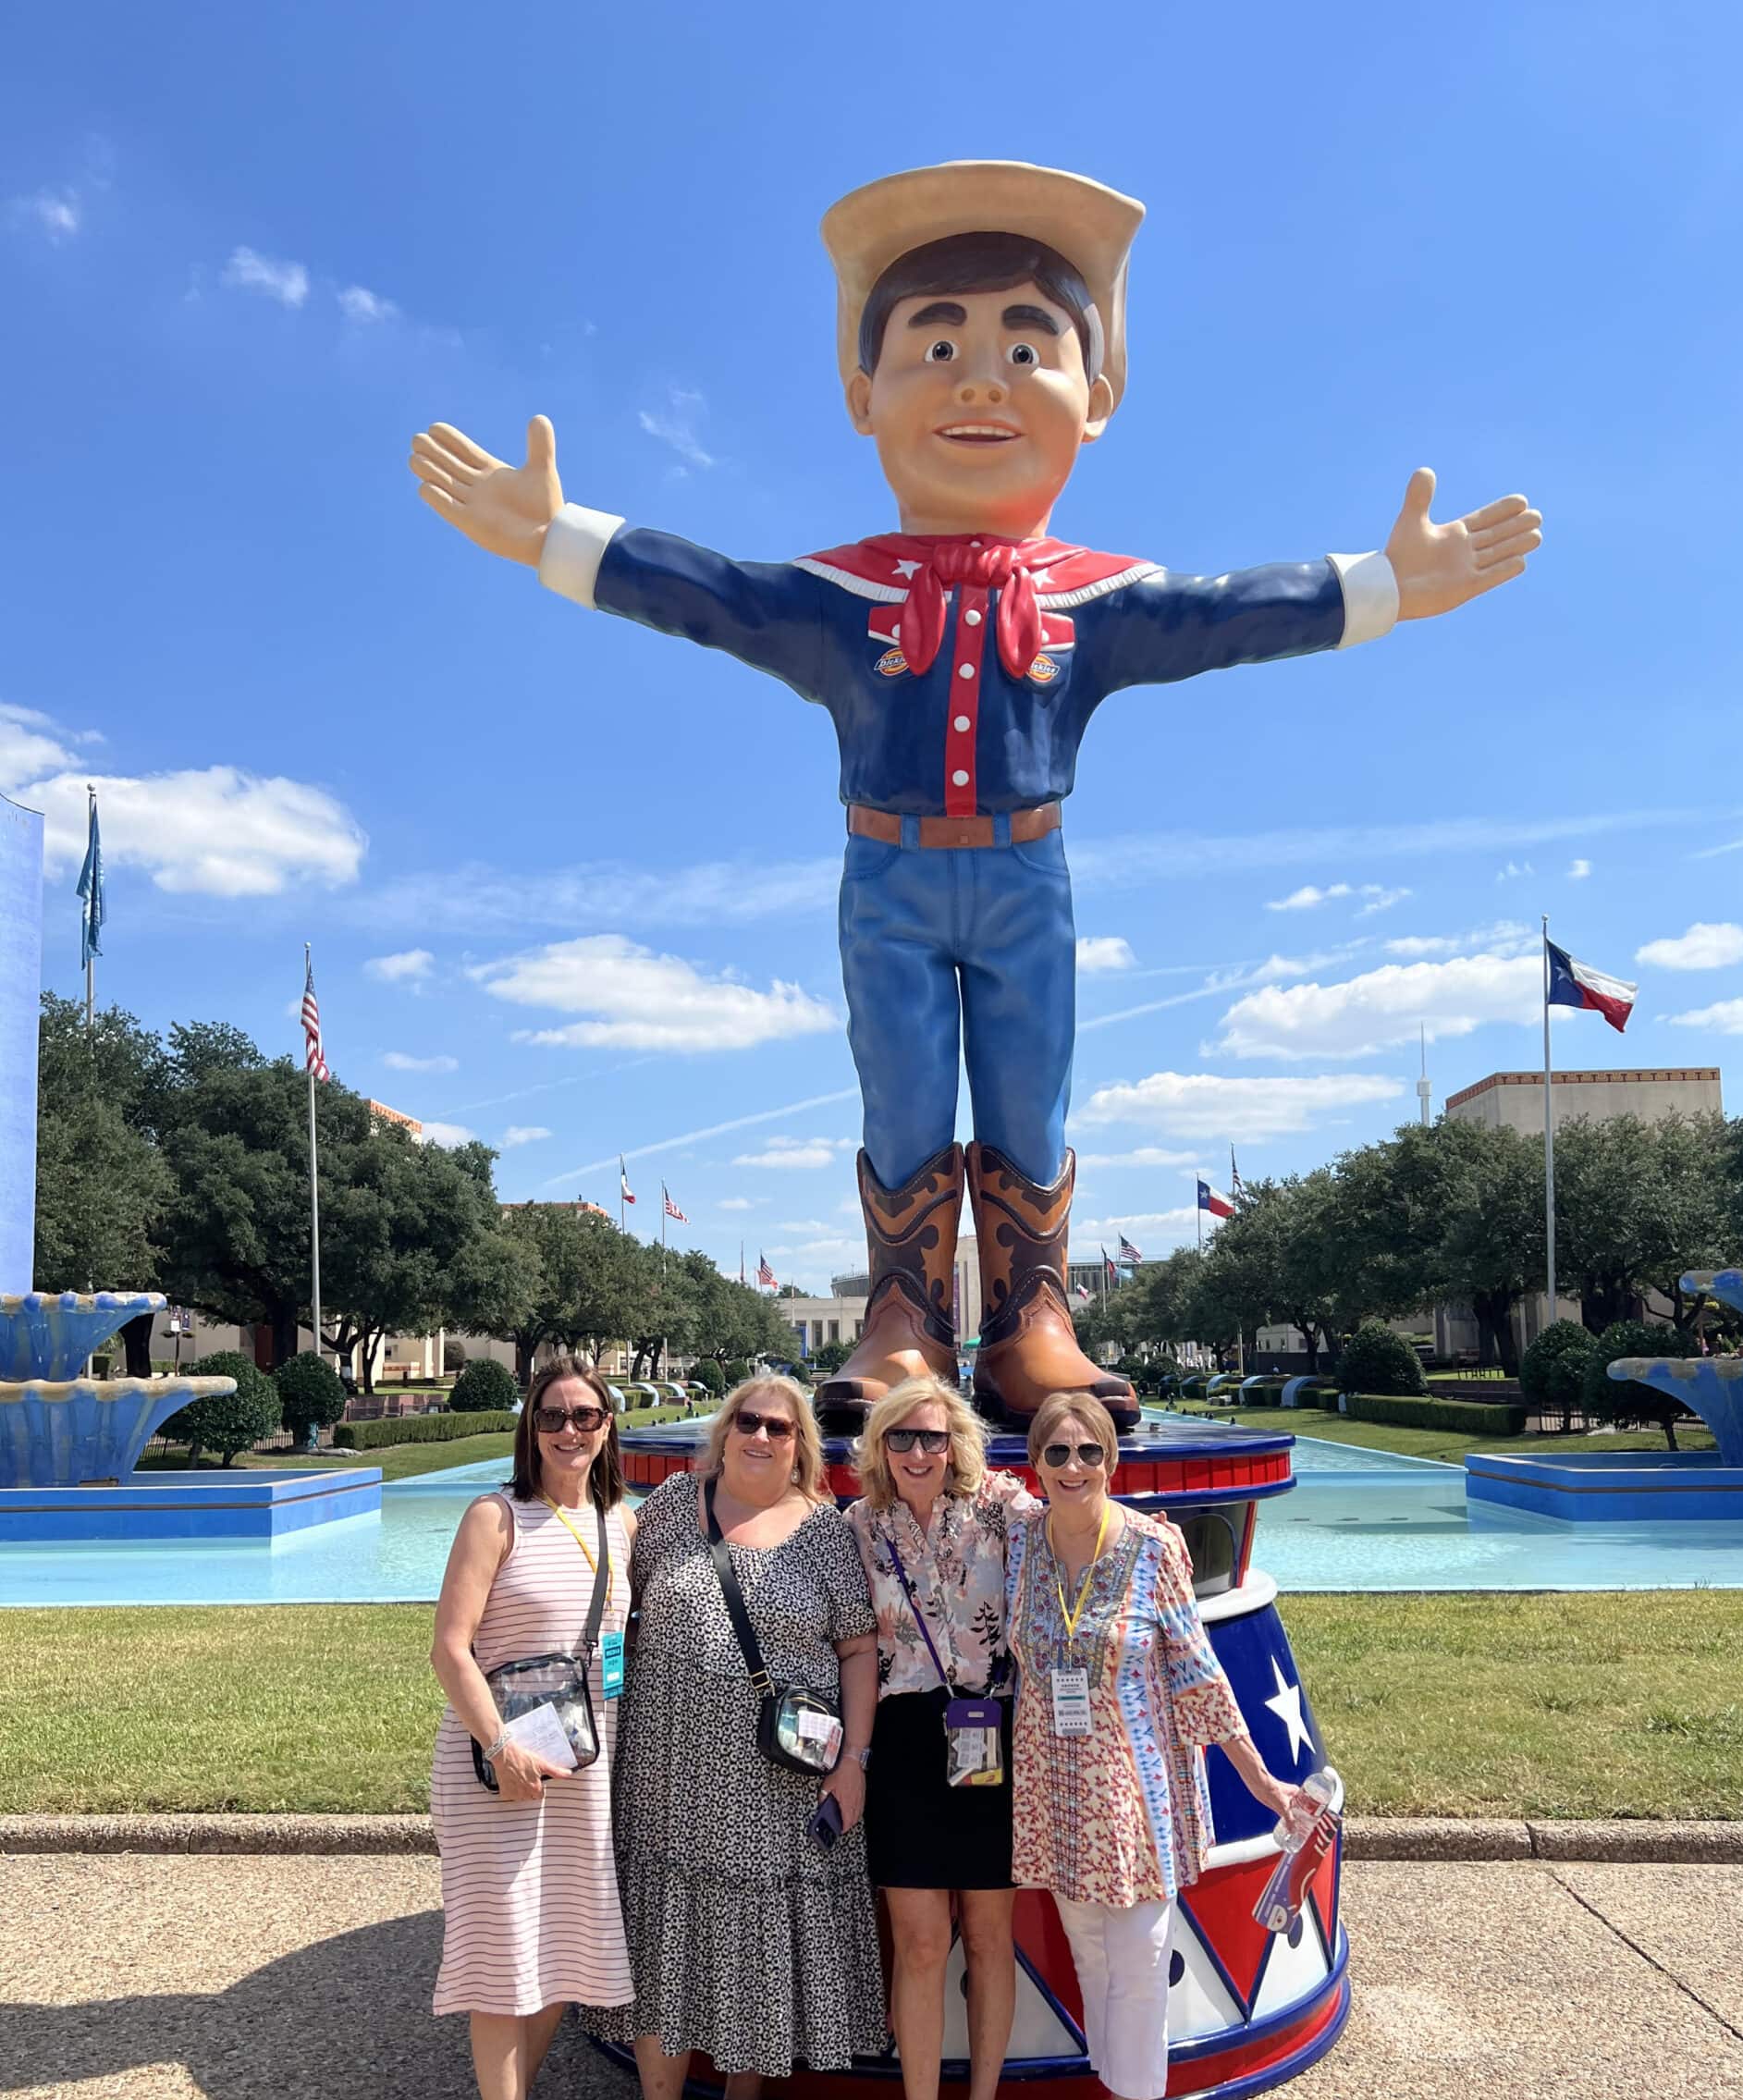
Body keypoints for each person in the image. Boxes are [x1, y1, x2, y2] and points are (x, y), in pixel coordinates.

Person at [411, 161, 1540, 1439]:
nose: (979, 379)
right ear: (863, 394)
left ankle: (1031, 1319)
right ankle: (902, 1316)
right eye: (935, 345)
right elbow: (712, 591)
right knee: (899, 1092)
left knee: (1027, 1094)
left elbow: (1229, 614)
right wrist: (561, 535)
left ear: (1095, 397)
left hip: (1029, 878)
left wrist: (1381, 582)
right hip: (883, 881)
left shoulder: (1098, 599)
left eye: (1025, 345)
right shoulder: (838, 596)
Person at [1006, 1390, 1306, 2100]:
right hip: (1054, 1786)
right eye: (1057, 1452)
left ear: (1111, 1460)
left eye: (1088, 1452)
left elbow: (1194, 1669)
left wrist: (1258, 1779)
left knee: (1137, 1958)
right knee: (1092, 1956)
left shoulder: (1149, 1546)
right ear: (1034, 1462)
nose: (1073, 1468)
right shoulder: (1022, 1540)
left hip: (1134, 1785)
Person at [597, 1377, 883, 2100]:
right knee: (666, 1940)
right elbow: (621, 1618)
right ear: (724, 1433)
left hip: (781, 1782)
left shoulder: (826, 1533)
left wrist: (854, 1761)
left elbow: (859, 1651)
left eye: (780, 1426)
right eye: (748, 1421)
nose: (762, 1435)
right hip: (669, 1773)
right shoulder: (669, 1510)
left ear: (801, 1444)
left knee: (759, 1935)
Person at [429, 1355, 634, 2100]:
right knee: (502, 1952)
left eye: (585, 1416)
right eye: (552, 1415)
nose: (569, 1430)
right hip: (499, 1770)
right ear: (530, 1424)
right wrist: (498, 1743)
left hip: (584, 1766)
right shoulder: (495, 1516)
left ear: (606, 1428)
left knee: (565, 1947)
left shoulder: (619, 1520)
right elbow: (449, 1648)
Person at [846, 1376, 1038, 2100]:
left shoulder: (1004, 1509)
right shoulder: (858, 1527)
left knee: (989, 1938)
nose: (918, 1453)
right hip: (906, 1743)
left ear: (957, 1441)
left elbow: (1082, 1520)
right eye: (901, 1439)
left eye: (932, 1437)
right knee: (921, 1942)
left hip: (990, 1736)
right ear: (880, 1448)